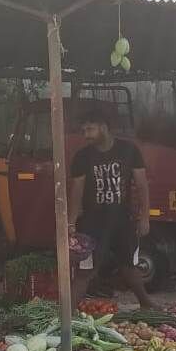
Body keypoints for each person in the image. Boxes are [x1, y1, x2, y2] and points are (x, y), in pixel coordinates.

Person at [69, 108, 155, 308]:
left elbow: (142, 185)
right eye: (84, 130)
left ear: (104, 127)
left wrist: (145, 217)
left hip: (122, 220)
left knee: (129, 266)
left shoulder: (129, 150)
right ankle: (67, 315)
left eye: (90, 129)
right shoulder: (82, 157)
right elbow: (76, 192)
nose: (86, 135)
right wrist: (71, 223)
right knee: (85, 270)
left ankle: (146, 304)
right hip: (92, 223)